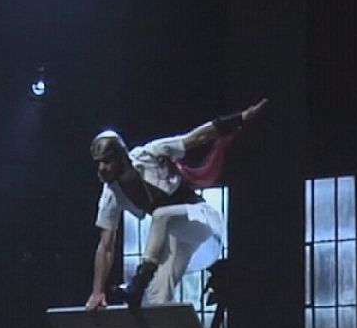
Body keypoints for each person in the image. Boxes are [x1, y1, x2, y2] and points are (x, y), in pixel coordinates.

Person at [85, 98, 270, 311]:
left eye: (107, 161)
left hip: (201, 219)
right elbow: (106, 245)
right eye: (98, 163)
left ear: (120, 157)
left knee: (161, 215)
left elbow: (196, 137)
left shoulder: (150, 154)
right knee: (157, 296)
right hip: (176, 234)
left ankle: (139, 279)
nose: (102, 168)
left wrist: (240, 118)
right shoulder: (111, 194)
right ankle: (157, 325)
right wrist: (97, 291)